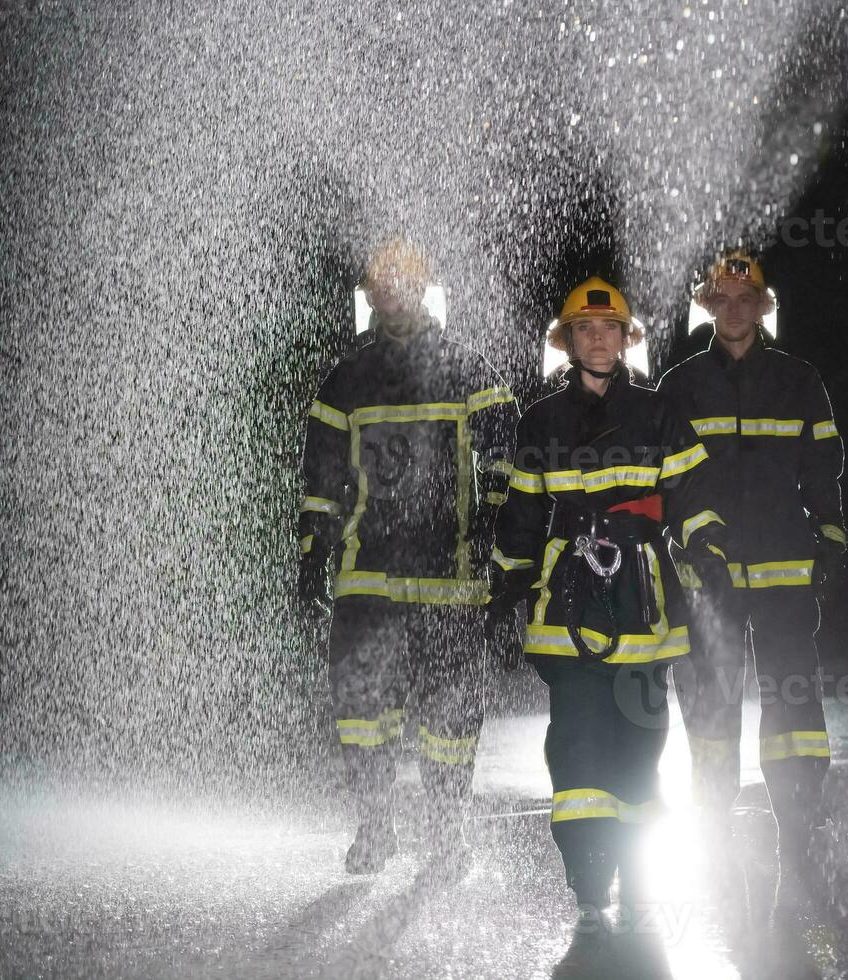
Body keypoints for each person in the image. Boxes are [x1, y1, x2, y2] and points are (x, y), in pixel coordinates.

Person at [485, 276, 731, 950]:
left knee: (641, 749)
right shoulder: (540, 421)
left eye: (608, 328)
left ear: (627, 338)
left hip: (645, 605)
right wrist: (506, 589)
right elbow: (523, 515)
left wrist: (707, 548)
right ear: (566, 342)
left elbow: (691, 494)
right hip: (568, 607)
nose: (597, 338)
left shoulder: (658, 413)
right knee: (576, 747)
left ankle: (634, 868)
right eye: (583, 330)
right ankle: (589, 880)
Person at [295, 237, 517, 877]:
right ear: (371, 295)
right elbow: (320, 472)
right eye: (382, 286)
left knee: (450, 715)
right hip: (369, 572)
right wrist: (314, 547)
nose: (394, 295)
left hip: (450, 571)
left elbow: (509, 445)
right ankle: (375, 828)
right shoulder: (346, 378)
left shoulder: (466, 367)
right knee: (362, 711)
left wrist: (499, 518)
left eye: (404, 283)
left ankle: (448, 836)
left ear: (423, 289)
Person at [657, 251, 848, 920]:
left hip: (784, 571)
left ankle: (797, 837)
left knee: (794, 712)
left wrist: (832, 536)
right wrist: (694, 540)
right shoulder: (678, 386)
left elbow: (825, 468)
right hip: (705, 578)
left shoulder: (800, 381)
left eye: (746, 298)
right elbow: (669, 477)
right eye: (723, 297)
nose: (734, 307)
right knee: (711, 712)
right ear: (707, 306)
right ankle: (714, 843)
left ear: (761, 307)